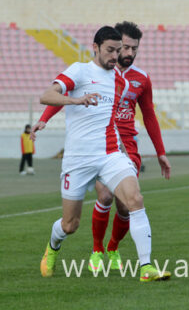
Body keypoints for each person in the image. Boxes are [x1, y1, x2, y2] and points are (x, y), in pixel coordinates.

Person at [32, 21, 171, 273]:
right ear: (95, 47)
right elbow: (47, 95)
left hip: (110, 153)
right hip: (78, 158)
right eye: (112, 50)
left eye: (120, 50)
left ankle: (147, 268)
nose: (117, 56)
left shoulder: (122, 80)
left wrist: (131, 150)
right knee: (70, 224)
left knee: (135, 200)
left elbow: (118, 117)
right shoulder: (80, 71)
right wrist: (70, 104)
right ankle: (52, 247)